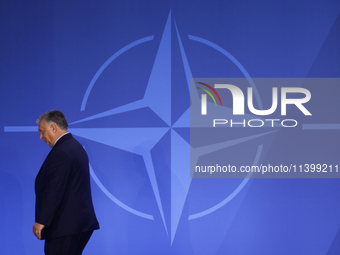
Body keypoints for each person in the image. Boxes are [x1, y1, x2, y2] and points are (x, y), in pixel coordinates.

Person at [33, 110, 99, 255]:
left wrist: (42, 220)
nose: (41, 136)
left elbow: (54, 189)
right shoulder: (74, 146)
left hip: (64, 227)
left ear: (53, 128)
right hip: (77, 225)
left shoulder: (61, 152)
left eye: (42, 131)